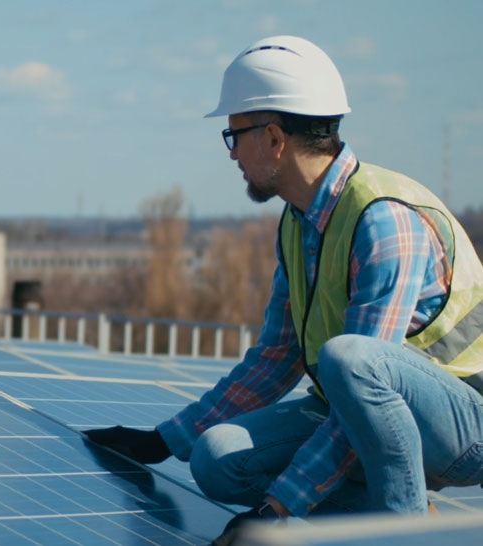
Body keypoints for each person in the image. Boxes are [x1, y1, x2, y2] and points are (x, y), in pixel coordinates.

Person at [84, 35, 483, 545]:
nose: (231, 156)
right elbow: (275, 357)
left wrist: (279, 506)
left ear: (274, 138)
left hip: (463, 422)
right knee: (217, 458)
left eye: (235, 137)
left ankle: (403, 533)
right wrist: (165, 439)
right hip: (370, 415)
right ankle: (403, 510)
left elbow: (363, 379)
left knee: (350, 360)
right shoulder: (299, 224)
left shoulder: (383, 221)